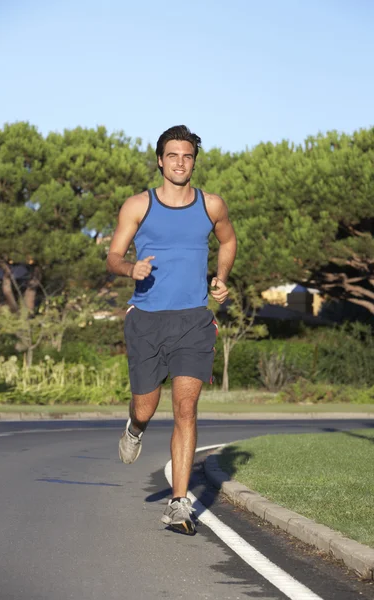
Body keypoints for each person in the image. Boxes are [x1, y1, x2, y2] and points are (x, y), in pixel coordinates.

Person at [106, 125, 237, 534]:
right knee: (145, 405)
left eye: (188, 156)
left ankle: (179, 502)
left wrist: (221, 276)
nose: (181, 163)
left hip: (194, 319)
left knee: (186, 408)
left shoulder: (211, 205)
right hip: (146, 319)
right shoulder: (138, 205)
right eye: (173, 156)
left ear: (194, 161)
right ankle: (135, 426)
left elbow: (228, 241)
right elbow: (113, 255)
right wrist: (131, 267)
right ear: (160, 160)